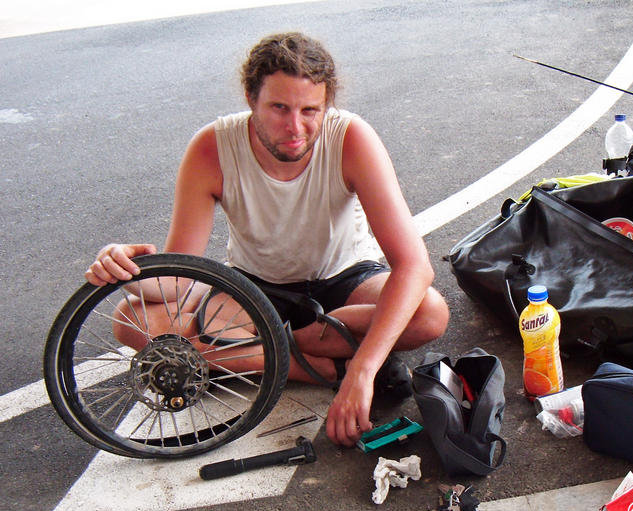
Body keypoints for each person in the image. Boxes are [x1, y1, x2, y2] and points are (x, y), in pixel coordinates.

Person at [84, 32, 449, 446]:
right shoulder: (212, 148)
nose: (295, 127)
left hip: (346, 279)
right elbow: (178, 277)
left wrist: (363, 373)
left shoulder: (350, 137)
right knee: (132, 320)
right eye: (279, 108)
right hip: (254, 288)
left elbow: (415, 266)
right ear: (250, 97)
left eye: (311, 110)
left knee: (429, 312)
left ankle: (270, 352)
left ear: (327, 105)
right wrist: (126, 267)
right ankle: (321, 364)